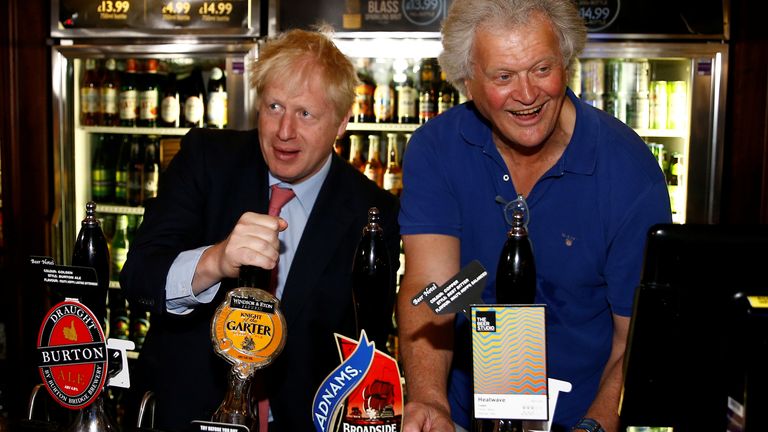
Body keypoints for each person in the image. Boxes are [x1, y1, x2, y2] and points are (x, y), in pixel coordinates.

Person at [396, 0, 672, 431]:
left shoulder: (627, 169)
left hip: (578, 418)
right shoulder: (437, 149)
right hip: (464, 419)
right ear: (468, 81)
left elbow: (634, 339)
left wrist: (596, 425)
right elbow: (431, 286)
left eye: (542, 69)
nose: (527, 95)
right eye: (503, 77)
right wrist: (430, 401)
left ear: (566, 62)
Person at [120, 29, 400, 432]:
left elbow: (367, 343)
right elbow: (139, 278)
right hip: (185, 415)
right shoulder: (206, 159)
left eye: (305, 114)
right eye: (274, 107)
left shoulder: (373, 212)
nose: (284, 131)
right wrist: (215, 261)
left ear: (342, 122)